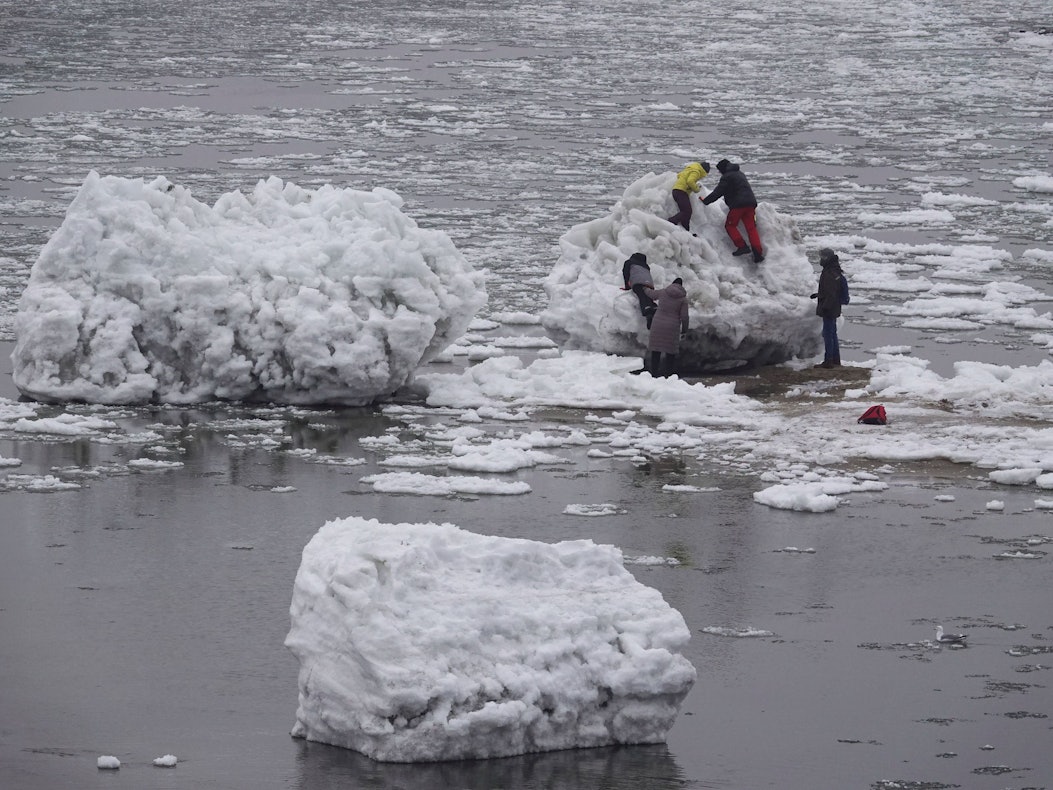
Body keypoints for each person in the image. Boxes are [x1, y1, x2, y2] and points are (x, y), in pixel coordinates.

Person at [700, 159, 764, 263]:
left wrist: (706, 201)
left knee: (730, 225)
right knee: (751, 228)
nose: (719, 173)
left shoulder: (727, 177)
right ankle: (758, 254)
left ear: (722, 169)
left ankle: (742, 246)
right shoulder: (740, 174)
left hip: (738, 205)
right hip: (751, 204)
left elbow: (718, 192)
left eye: (719, 171)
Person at [641, 277, 690, 377]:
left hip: (657, 324)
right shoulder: (683, 300)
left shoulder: (663, 292)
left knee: (656, 350)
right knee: (670, 353)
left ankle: (654, 374)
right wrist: (684, 331)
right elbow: (684, 317)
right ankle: (668, 376)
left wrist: (644, 288)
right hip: (672, 328)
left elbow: (651, 294)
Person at [810, 248, 850, 368]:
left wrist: (826, 307)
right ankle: (835, 359)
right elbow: (831, 290)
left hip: (829, 308)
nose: (820, 259)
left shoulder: (829, 273)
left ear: (826, 258)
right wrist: (818, 295)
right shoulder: (834, 270)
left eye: (822, 257)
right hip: (834, 306)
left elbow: (831, 293)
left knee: (828, 334)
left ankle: (829, 361)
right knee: (832, 333)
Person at [667, 160, 710, 232]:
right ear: (704, 171)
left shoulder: (690, 169)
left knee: (687, 212)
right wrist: (696, 189)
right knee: (687, 211)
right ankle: (670, 222)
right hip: (681, 191)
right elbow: (690, 181)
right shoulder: (697, 172)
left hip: (676, 190)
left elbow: (679, 175)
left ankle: (686, 230)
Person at [621, 252, 657, 327]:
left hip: (638, 282)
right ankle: (654, 309)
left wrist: (627, 287)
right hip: (649, 283)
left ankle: (647, 311)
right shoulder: (646, 266)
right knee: (648, 296)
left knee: (642, 296)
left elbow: (626, 274)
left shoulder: (629, 262)